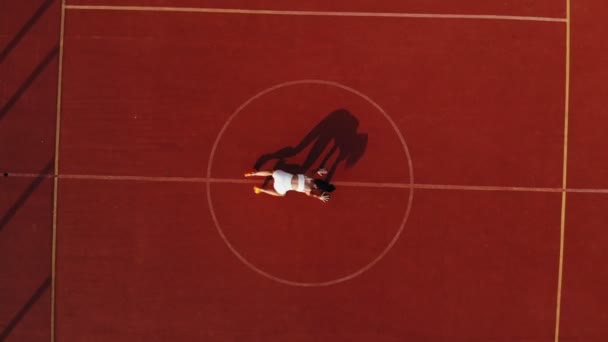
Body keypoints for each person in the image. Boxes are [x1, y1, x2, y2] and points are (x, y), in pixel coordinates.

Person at [244, 168, 335, 203]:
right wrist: (319, 197)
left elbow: (314, 170)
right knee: (281, 194)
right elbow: (312, 195)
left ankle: (253, 173)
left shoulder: (309, 177)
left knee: (272, 172)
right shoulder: (308, 190)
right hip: (281, 187)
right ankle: (261, 190)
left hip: (282, 175)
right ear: (318, 188)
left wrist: (320, 170)